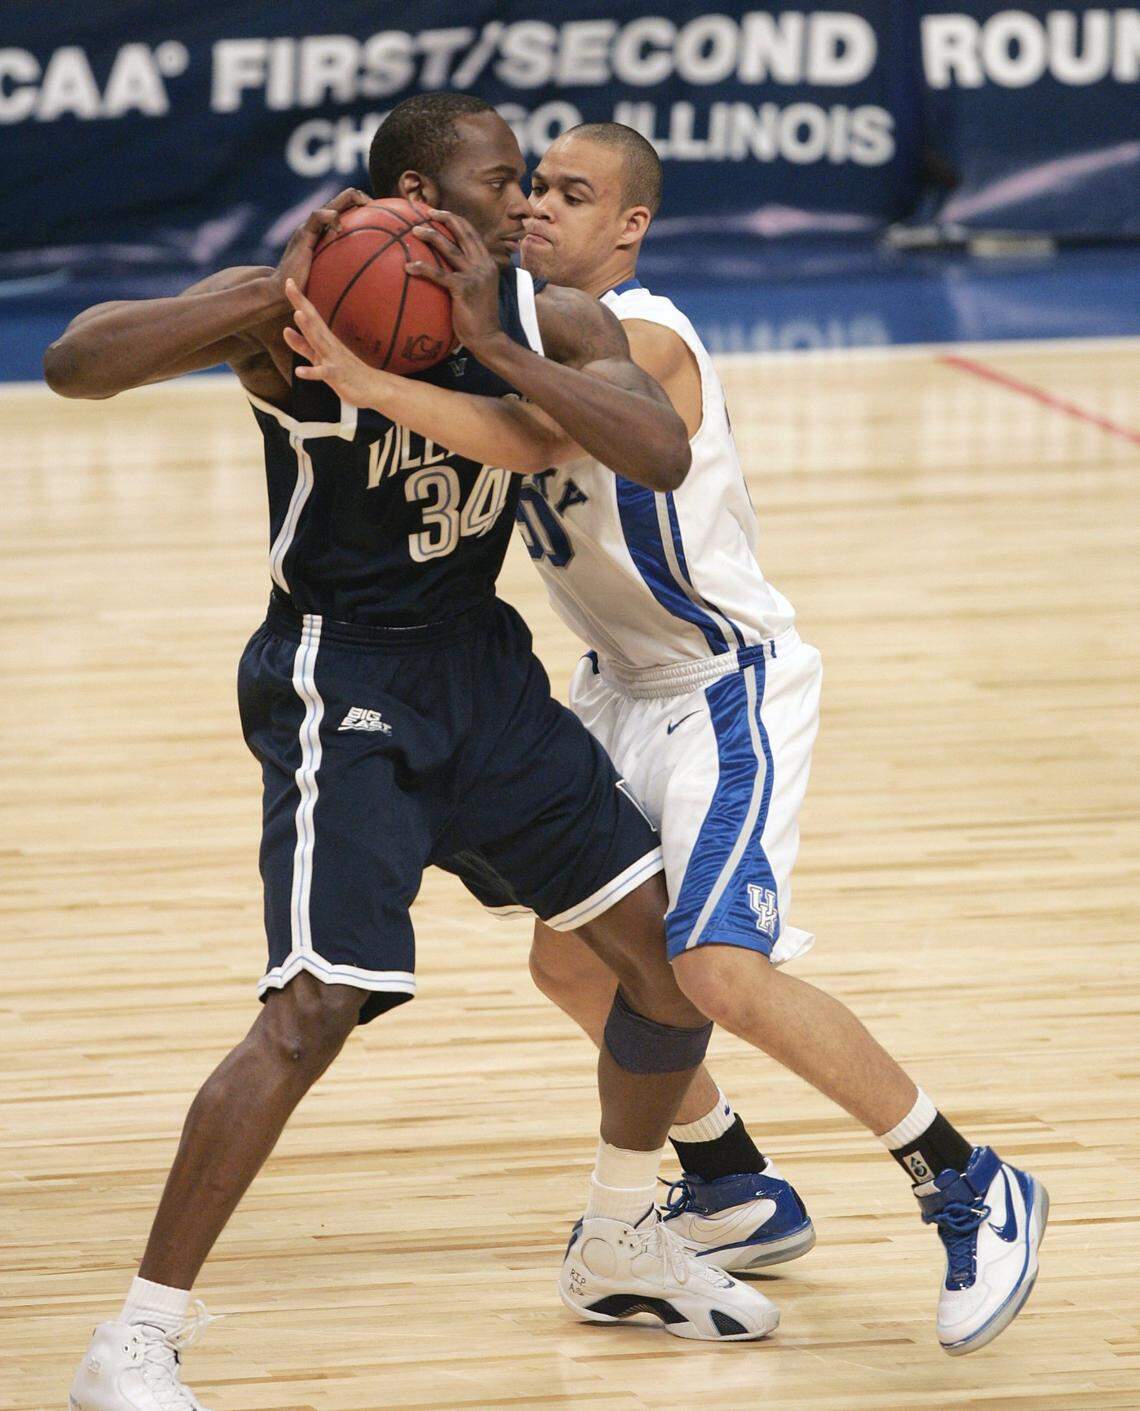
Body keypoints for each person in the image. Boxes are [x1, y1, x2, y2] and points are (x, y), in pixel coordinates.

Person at [48, 96, 783, 1411]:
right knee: (312, 1009)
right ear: (417, 198)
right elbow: (76, 363)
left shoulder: (544, 312)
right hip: (342, 675)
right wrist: (262, 295)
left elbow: (661, 452)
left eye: (533, 182)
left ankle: (621, 1238)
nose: (526, 201)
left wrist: (493, 338)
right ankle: (136, 1336)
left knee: (668, 967)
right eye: (502, 182)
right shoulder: (292, 311)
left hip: (481, 673)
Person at [283, 118, 1049, 1359]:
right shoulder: (525, 328)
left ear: (629, 227)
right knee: (576, 964)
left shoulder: (645, 333)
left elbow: (536, 439)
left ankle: (966, 1176)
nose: (539, 207)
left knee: (717, 969)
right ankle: (729, 1175)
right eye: (535, 187)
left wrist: (387, 380)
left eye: (573, 195)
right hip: (617, 685)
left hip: (722, 683)